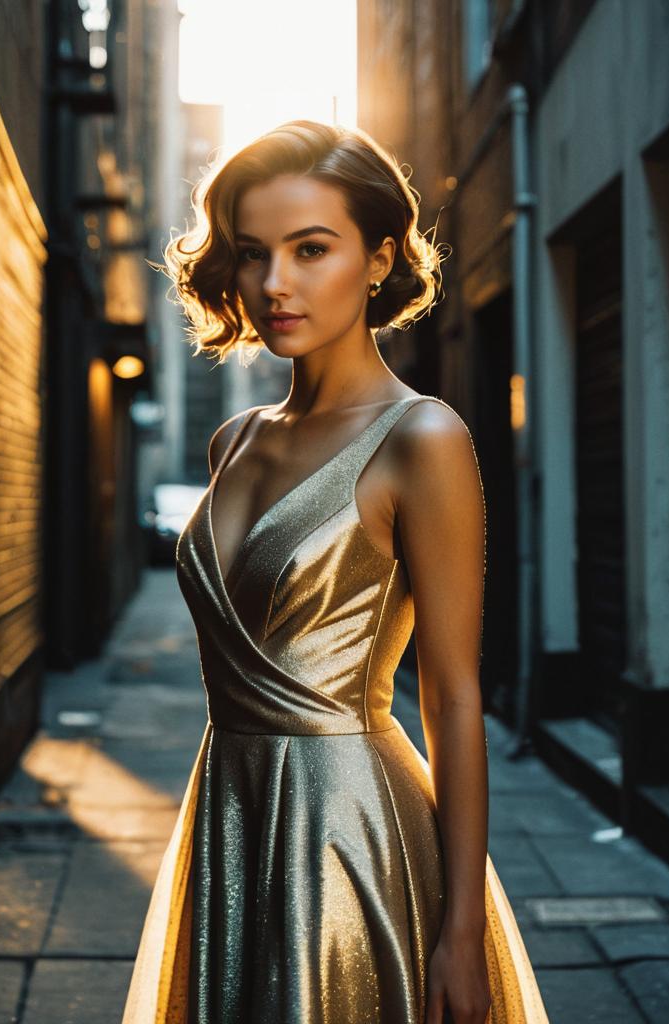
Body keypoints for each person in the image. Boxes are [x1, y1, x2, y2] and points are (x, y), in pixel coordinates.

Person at [122, 120, 548, 1024]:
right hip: (227, 814)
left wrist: (461, 929)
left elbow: (456, 696)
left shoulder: (422, 439)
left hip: (348, 828)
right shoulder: (233, 439)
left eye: (311, 249)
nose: (275, 284)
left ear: (380, 256)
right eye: (252, 254)